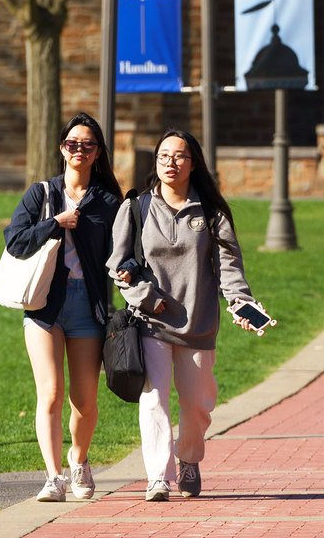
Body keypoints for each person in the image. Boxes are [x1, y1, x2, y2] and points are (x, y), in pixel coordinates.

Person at [107, 128, 262, 502]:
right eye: (163, 156)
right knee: (154, 399)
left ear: (193, 164)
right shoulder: (136, 207)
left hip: (198, 323)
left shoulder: (211, 213)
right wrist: (145, 297)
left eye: (178, 156)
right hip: (151, 323)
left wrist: (241, 303)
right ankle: (157, 476)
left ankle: (189, 460)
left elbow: (229, 266)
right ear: (155, 162)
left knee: (197, 405)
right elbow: (117, 265)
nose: (170, 163)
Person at [3, 113, 122, 502]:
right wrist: (56, 222)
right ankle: (53, 476)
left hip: (88, 306)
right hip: (44, 306)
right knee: (51, 394)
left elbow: (124, 250)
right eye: (73, 144)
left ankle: (80, 460)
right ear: (62, 149)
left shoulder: (108, 201)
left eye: (88, 145)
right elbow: (15, 242)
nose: (79, 150)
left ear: (98, 152)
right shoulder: (41, 194)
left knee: (84, 400)